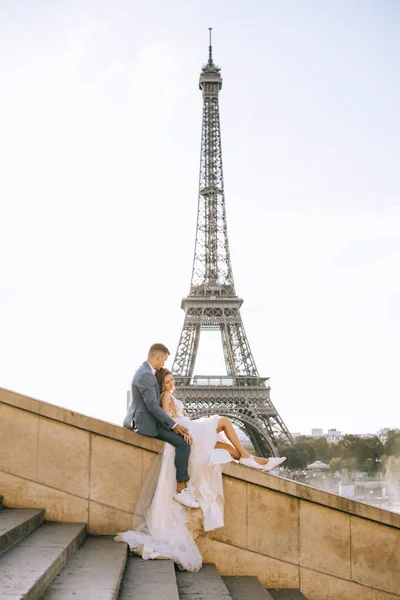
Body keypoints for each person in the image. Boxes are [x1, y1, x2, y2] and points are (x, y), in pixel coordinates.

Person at [116, 367, 286, 571]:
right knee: (223, 422)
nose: (171, 384)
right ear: (161, 385)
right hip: (187, 430)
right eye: (167, 382)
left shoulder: (172, 396)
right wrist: (179, 426)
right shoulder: (166, 395)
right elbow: (166, 418)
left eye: (172, 381)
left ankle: (254, 460)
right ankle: (251, 459)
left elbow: (174, 415)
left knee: (230, 449)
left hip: (189, 429)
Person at [123, 343, 199, 509]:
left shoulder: (144, 372)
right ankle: (181, 488)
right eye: (163, 360)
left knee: (183, 438)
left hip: (149, 420)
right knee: (184, 442)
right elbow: (152, 406)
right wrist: (174, 426)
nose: (163, 364)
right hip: (148, 424)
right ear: (158, 356)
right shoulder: (146, 375)